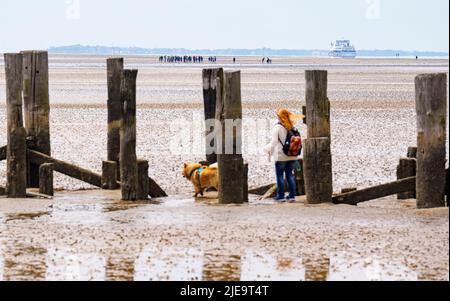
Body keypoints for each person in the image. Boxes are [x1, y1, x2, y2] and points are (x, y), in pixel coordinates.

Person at [265, 109, 304, 202]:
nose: (277, 117)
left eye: (278, 115)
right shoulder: (292, 126)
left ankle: (281, 196)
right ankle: (291, 196)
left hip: (280, 156)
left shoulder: (277, 127)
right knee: (290, 175)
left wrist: (266, 149)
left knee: (279, 176)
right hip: (292, 155)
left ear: (280, 116)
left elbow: (274, 143)